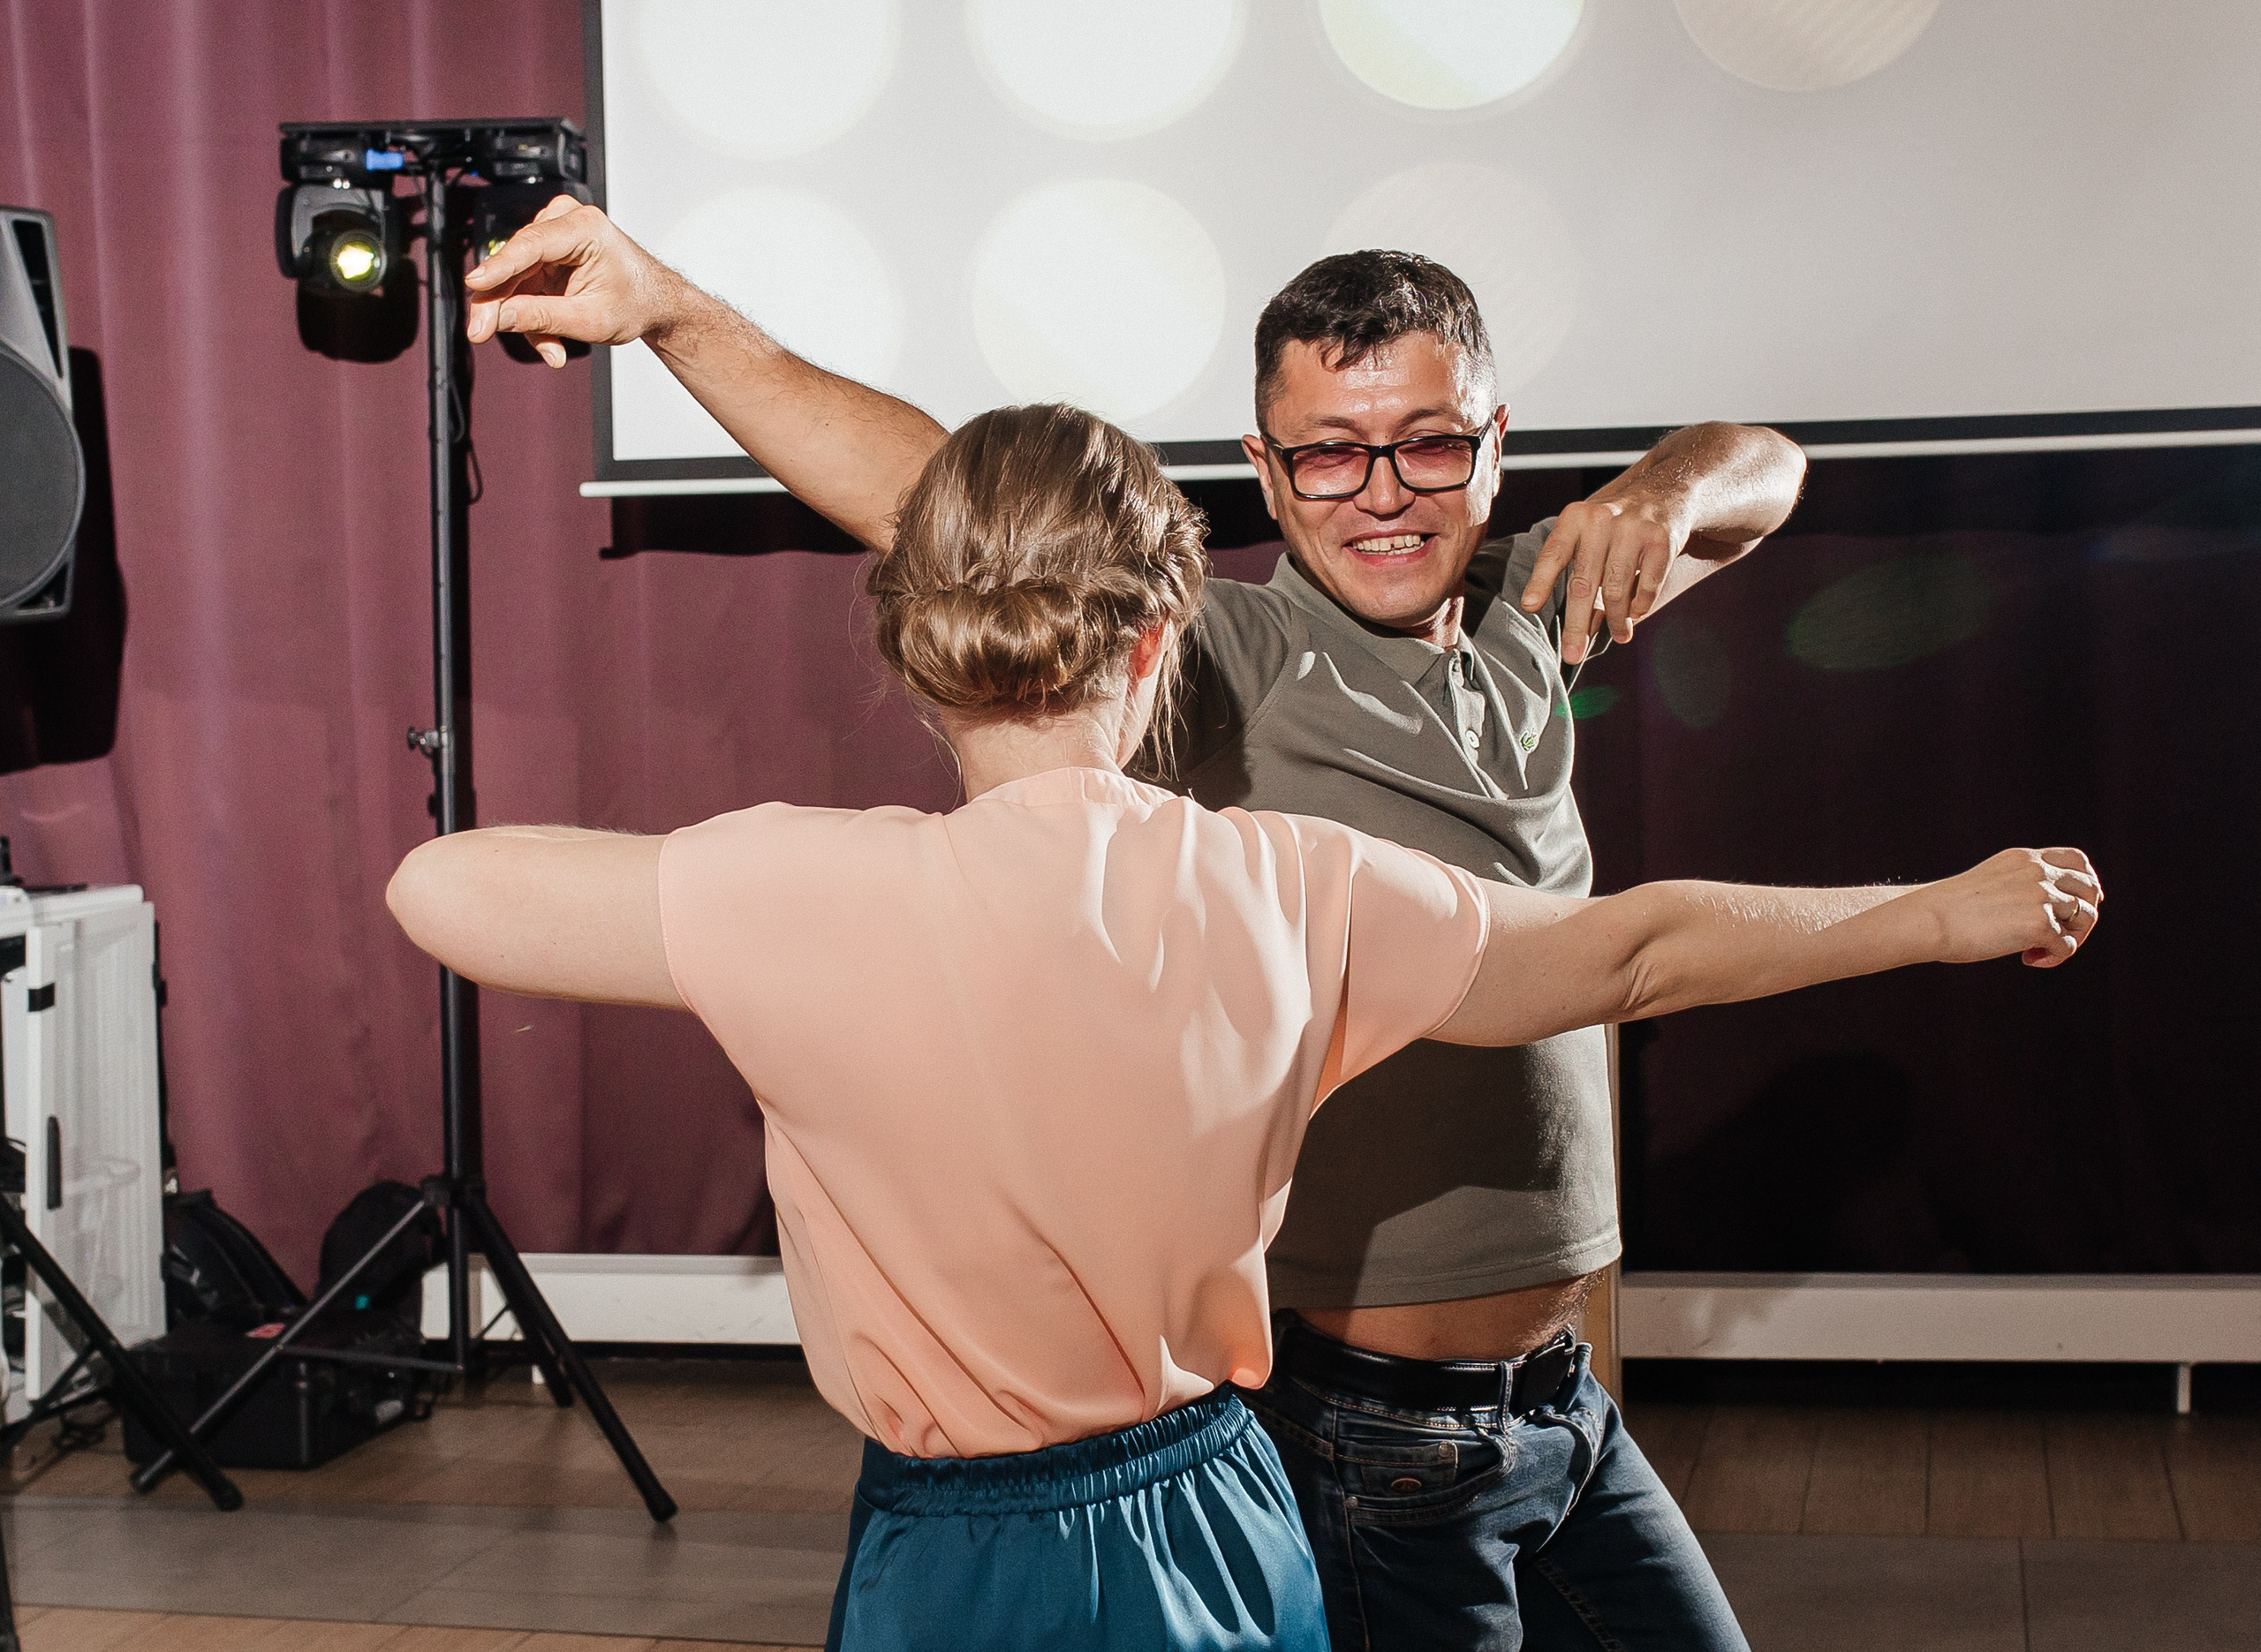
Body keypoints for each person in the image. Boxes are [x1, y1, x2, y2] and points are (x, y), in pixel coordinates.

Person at [389, 398, 2098, 1652]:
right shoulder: (1293, 887)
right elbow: (1631, 955)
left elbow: (439, 889)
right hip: (1216, 1500)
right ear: (1156, 644)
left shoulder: (798, 892)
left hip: (947, 1540)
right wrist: (1941, 913)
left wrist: (727, 890)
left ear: (914, 657)